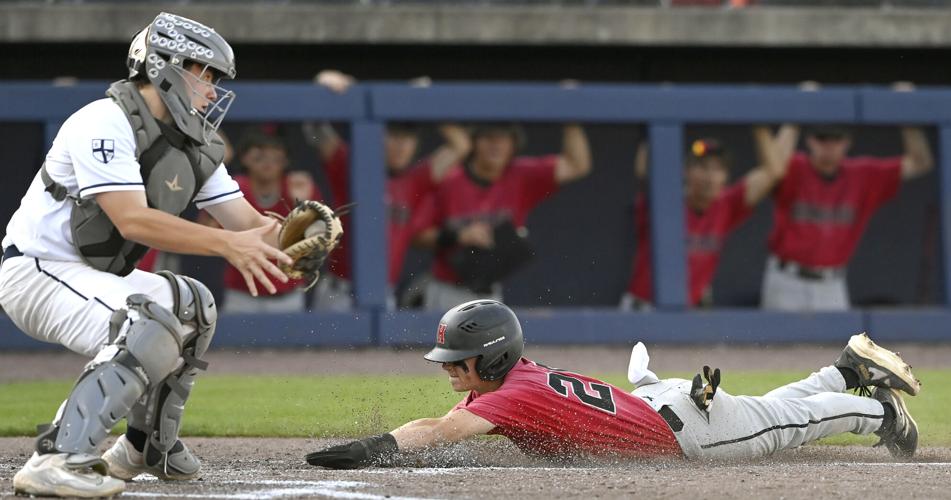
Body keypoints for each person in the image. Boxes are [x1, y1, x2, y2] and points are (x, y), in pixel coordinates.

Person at [3, 13, 294, 498]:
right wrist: (228, 245)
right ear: (165, 67)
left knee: (192, 305)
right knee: (145, 323)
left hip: (86, 276)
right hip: (35, 272)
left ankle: (144, 449)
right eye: (205, 74)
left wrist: (298, 233)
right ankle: (55, 458)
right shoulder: (103, 119)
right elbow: (132, 221)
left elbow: (248, 226)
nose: (212, 90)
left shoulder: (195, 143)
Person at [305, 301, 920, 469]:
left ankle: (880, 413)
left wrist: (373, 448)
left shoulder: (512, 392)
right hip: (661, 402)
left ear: (489, 359)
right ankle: (844, 370)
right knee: (776, 411)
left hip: (688, 430)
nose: (447, 368)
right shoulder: (513, 379)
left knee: (792, 426)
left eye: (457, 359)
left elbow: (441, 431)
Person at [305, 70, 471, 310]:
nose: (401, 145)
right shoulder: (350, 163)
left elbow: (461, 145)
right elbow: (316, 129)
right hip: (339, 293)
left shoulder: (415, 179)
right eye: (393, 136)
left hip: (384, 294)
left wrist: (422, 102)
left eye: (408, 137)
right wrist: (327, 82)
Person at [763, 92, 934, 310]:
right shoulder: (794, 167)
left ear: (847, 142)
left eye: (836, 140)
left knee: (836, 345)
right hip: (785, 279)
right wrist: (797, 111)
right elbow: (772, 168)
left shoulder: (862, 174)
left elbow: (921, 163)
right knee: (777, 344)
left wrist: (908, 115)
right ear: (809, 140)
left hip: (832, 284)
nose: (829, 146)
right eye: (822, 139)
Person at [412, 122, 592, 311]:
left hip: (490, 292)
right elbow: (417, 236)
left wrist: (570, 120)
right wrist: (459, 236)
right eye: (489, 138)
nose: (496, 145)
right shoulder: (449, 181)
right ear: (475, 142)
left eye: (503, 139)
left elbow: (577, 165)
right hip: (447, 290)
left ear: (514, 144)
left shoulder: (521, 175)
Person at [622, 127, 792, 309]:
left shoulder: (726, 205)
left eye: (717, 169)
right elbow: (644, 172)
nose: (710, 177)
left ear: (725, 177)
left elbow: (774, 172)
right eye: (702, 167)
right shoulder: (665, 201)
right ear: (685, 172)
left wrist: (760, 129)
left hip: (687, 317)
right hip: (643, 312)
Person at [218, 129, 321, 313]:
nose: (268, 163)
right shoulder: (235, 185)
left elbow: (318, 239)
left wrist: (302, 203)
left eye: (275, 158)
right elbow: (209, 229)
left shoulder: (296, 185)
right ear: (245, 159)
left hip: (289, 293)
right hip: (241, 293)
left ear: (285, 161)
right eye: (260, 156)